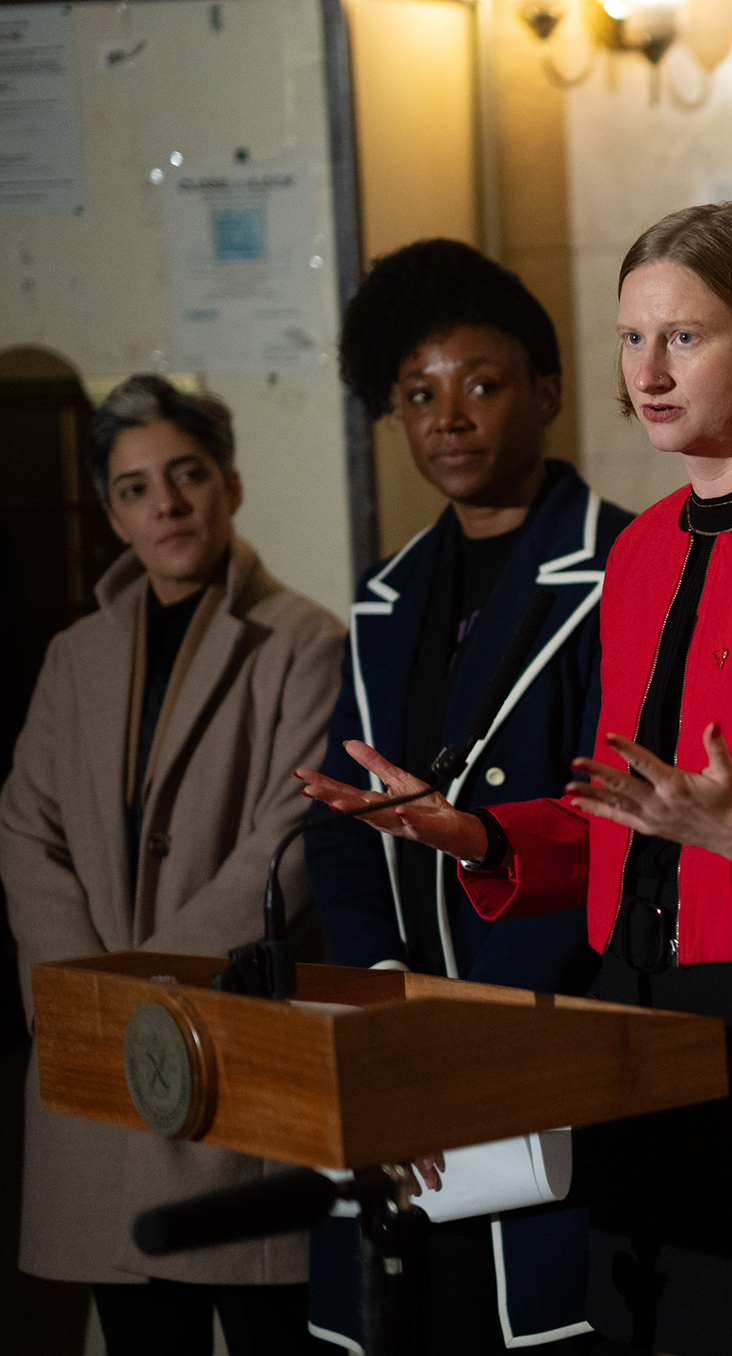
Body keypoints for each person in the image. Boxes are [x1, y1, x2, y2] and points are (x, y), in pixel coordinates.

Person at [295, 201, 732, 1356]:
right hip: (636, 1010)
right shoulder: (644, 547)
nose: (646, 372)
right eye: (628, 338)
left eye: (684, 339)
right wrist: (483, 837)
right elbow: (628, 814)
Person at [303, 239, 632, 1355]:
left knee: (541, 1324)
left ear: (545, 391)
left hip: (545, 1036)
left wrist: (461, 1043)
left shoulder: (625, 569)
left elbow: (611, 824)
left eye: (481, 385)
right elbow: (338, 827)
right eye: (418, 395)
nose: (448, 418)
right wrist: (391, 1007)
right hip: (403, 1057)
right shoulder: (386, 595)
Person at [1, 377, 345, 1355]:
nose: (168, 505)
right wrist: (87, 999)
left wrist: (147, 994)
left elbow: (290, 845)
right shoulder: (76, 656)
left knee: (269, 1315)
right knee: (140, 1328)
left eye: (187, 475)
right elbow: (27, 835)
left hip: (230, 1049)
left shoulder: (306, 642)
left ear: (231, 484)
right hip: (99, 1057)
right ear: (113, 513)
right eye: (137, 488)